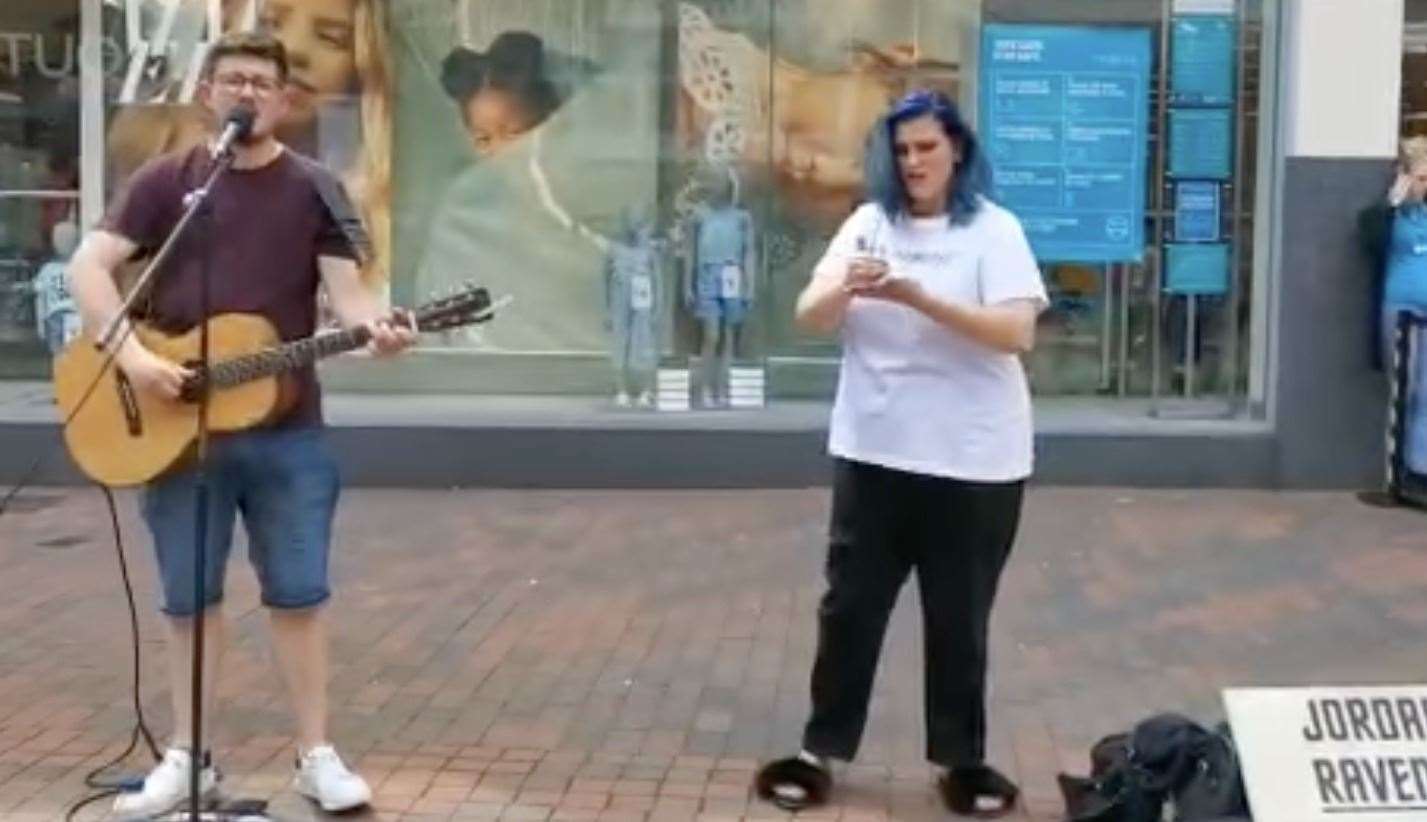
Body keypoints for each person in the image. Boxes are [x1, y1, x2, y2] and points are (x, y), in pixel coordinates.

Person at [68, 31, 415, 817]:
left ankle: (315, 756)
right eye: (232, 81)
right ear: (208, 95)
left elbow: (352, 304)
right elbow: (88, 267)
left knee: (298, 593)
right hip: (173, 431)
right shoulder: (169, 182)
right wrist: (131, 359)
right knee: (188, 600)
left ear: (285, 100)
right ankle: (190, 757)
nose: (247, 93)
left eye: (262, 81)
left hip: (286, 431)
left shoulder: (317, 188)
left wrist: (380, 334)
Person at [753, 89, 1047, 818]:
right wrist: (845, 292)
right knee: (848, 609)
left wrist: (916, 298)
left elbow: (1015, 334)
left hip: (974, 461)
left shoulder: (993, 232)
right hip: (875, 451)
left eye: (926, 148)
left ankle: (962, 761)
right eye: (901, 150)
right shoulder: (865, 225)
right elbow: (810, 316)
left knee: (958, 614)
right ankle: (820, 749)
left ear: (956, 152)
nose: (913, 162)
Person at [106, 0, 394, 293]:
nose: (292, 48)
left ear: (364, 64)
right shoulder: (172, 161)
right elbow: (94, 269)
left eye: (332, 38)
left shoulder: (370, 205)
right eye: (268, 23)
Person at [1359, 136, 1427, 505]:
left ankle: (1421, 470)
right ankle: (1397, 478)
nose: (1425, 186)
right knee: (1406, 390)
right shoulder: (1392, 215)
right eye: (1420, 177)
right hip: (1401, 313)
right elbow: (1368, 234)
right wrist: (1395, 199)